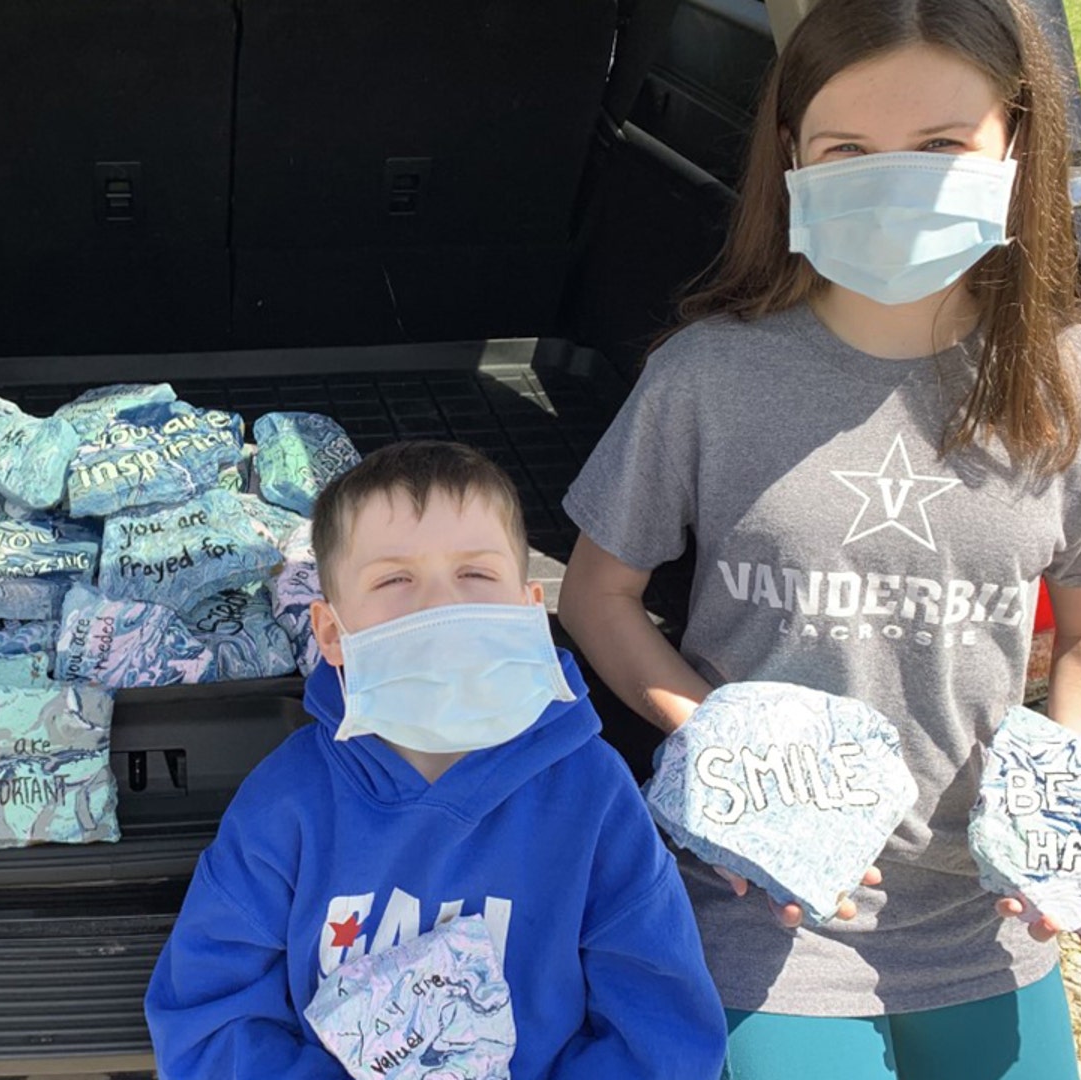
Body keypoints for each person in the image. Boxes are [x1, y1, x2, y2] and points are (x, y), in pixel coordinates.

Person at [555, 0, 1081, 1075]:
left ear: (1015, 145)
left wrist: (1078, 815)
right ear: (792, 156)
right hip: (764, 912)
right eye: (849, 148)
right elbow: (596, 593)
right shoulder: (705, 377)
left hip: (990, 918)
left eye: (941, 146)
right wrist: (721, 747)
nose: (896, 181)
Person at [145, 440, 727, 1078]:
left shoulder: (592, 793)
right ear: (332, 633)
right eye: (395, 579)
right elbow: (208, 1018)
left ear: (529, 611)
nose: (441, 604)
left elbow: (662, 1027)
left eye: (475, 574)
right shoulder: (286, 803)